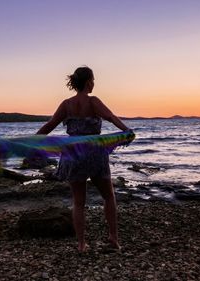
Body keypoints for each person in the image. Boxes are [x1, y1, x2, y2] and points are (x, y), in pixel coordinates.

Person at [36, 66, 131, 252]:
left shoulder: (66, 104)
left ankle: (81, 244)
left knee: (78, 202)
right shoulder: (93, 101)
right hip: (94, 154)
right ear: (88, 82)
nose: (94, 83)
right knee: (108, 196)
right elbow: (111, 117)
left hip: (73, 155)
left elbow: (50, 125)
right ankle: (113, 239)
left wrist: (31, 141)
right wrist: (126, 131)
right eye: (93, 80)